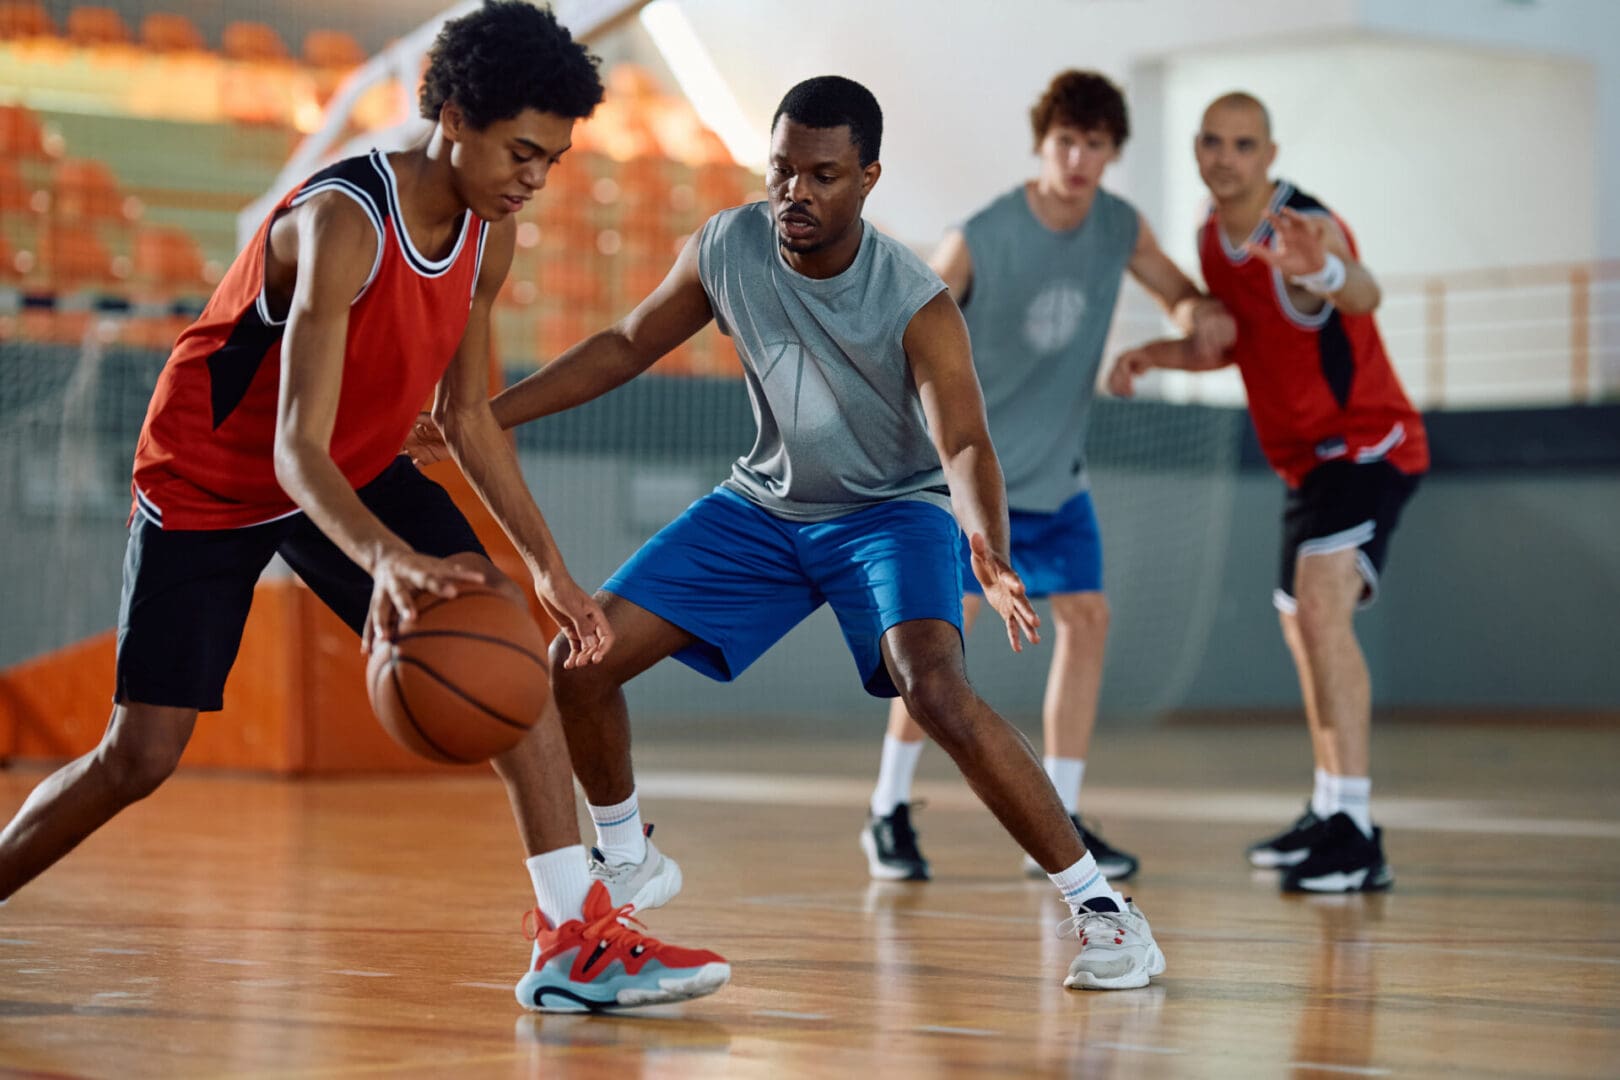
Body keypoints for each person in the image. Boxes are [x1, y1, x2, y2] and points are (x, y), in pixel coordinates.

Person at [0, 0, 729, 1013]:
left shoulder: (489, 236)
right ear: (457, 118)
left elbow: (468, 419)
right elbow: (292, 449)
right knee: (142, 755)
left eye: (553, 161)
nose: (535, 178)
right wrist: (387, 560)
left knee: (505, 641)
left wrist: (551, 571)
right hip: (216, 475)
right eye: (522, 150)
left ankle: (574, 940)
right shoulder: (340, 221)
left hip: (356, 458)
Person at [416, 75, 1167, 991]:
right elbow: (622, 342)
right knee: (581, 660)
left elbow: (963, 438)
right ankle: (627, 855)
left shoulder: (914, 299)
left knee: (934, 688)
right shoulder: (731, 244)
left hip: (892, 510)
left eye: (823, 175)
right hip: (765, 508)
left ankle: (1103, 909)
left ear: (868, 178)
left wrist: (988, 541)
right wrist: (485, 418)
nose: (795, 194)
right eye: (782, 170)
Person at [861, 70, 1233, 885]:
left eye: (1095, 145)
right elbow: (904, 324)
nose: (1078, 158)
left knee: (1088, 619)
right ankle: (887, 808)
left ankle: (1057, 816)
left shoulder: (1117, 227)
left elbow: (1177, 293)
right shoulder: (985, 234)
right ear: (1043, 143)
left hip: (1058, 480)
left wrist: (1195, 316)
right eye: (1066, 141)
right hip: (967, 481)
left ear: (1110, 153)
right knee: (938, 651)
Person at [1107, 91, 1426, 893]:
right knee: (1304, 631)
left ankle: (1357, 832)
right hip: (1305, 464)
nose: (1225, 157)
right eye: (1211, 142)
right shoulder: (1213, 241)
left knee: (1321, 615)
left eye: (1243, 145)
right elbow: (1238, 347)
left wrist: (1316, 266)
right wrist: (1158, 354)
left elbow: (1362, 292)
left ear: (1270, 155)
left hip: (1366, 442)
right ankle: (1329, 806)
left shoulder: (1306, 227)